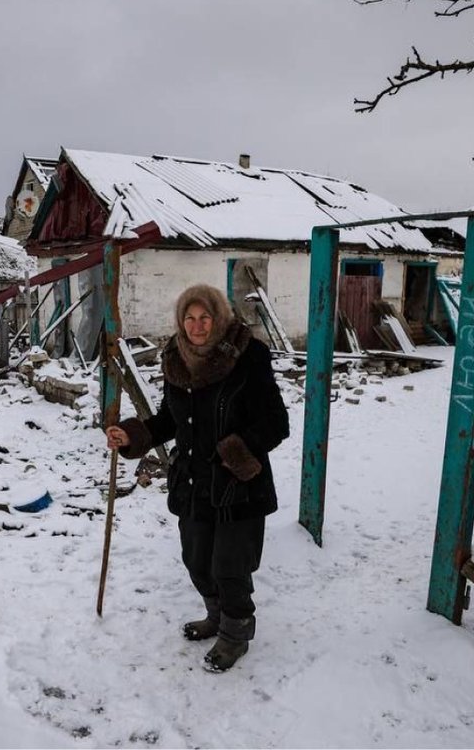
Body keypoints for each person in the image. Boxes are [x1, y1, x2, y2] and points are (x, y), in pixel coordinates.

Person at [105, 284, 289, 673]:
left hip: (237, 482)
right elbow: (170, 419)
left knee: (230, 564)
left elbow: (276, 422)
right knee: (197, 561)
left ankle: (235, 634)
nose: (197, 325)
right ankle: (217, 616)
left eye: (205, 317)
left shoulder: (247, 356)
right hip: (193, 481)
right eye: (189, 318)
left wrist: (236, 452)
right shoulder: (175, 359)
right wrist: (133, 435)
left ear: (218, 317)